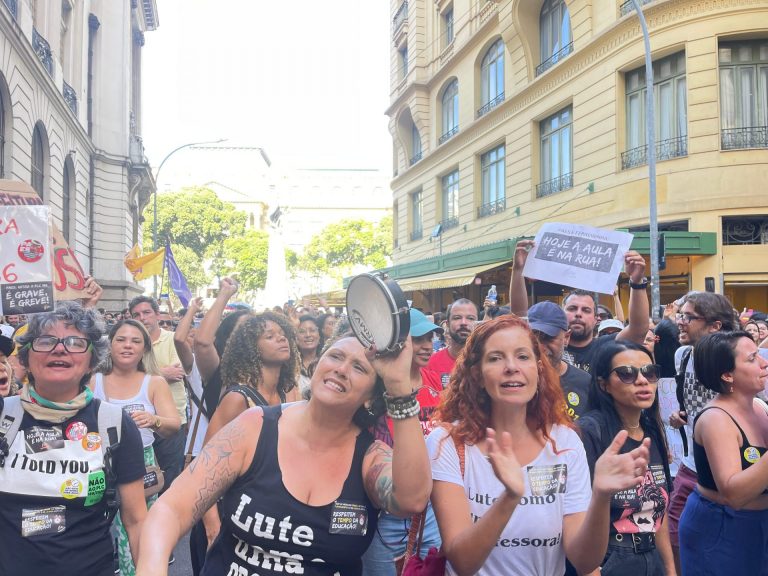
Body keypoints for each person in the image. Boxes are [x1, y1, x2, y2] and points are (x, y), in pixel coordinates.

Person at [136, 332, 432, 576]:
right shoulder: (255, 427)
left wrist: (399, 390)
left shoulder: (371, 456)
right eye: (336, 356)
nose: (341, 369)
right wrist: (152, 566)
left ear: (371, 396)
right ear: (316, 366)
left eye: (359, 368)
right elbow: (172, 508)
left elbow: (411, 500)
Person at [427, 315, 651, 576]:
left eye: (523, 356)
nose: (511, 367)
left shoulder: (565, 443)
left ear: (538, 369)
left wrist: (601, 497)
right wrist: (510, 497)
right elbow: (463, 562)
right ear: (476, 374)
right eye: (496, 358)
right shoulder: (447, 444)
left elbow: (584, 561)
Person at [0, 302, 146, 576]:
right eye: (45, 341)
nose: (59, 348)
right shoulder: (2, 418)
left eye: (75, 342)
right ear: (26, 358)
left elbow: (137, 521)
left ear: (92, 360)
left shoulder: (114, 425)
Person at [195, 311, 302, 573]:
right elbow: (205, 467)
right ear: (251, 348)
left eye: (283, 334)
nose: (281, 339)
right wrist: (212, 527)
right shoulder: (238, 398)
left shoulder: (289, 393)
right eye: (270, 336)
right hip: (227, 517)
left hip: (266, 519)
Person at [92, 319, 181, 576]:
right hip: (99, 464)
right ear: (109, 344)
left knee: (139, 528)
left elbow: (173, 424)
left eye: (135, 341)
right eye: (121, 339)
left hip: (142, 465)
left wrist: (154, 420)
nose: (127, 346)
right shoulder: (93, 381)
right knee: (96, 527)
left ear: (144, 349)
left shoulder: (154, 383)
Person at [578, 341, 675, 575]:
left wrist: (670, 569)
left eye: (650, 373)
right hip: (609, 558)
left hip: (651, 558)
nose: (642, 380)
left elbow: (658, 515)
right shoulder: (589, 432)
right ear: (604, 385)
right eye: (626, 374)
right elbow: (576, 514)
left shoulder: (651, 430)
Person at [678, 331, 768, 574]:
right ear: (727, 375)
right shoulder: (716, 419)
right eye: (751, 359)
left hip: (758, 526)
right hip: (722, 529)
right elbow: (734, 494)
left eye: (759, 355)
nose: (764, 362)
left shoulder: (759, 406)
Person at [363, 309, 444, 575]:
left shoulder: (436, 385)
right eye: (418, 339)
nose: (427, 345)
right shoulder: (373, 388)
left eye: (431, 338)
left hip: (430, 510)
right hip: (385, 514)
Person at [666, 292, 737, 570]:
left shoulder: (736, 360)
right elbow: (693, 406)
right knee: (675, 535)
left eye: (688, 317)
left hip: (728, 468)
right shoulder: (682, 355)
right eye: (680, 316)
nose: (680, 323)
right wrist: (680, 417)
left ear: (715, 326)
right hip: (690, 466)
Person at [508, 239, 649, 375]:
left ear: (596, 319)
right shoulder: (541, 346)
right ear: (562, 313)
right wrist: (518, 270)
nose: (578, 314)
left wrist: (637, 283)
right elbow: (519, 315)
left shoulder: (606, 347)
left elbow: (638, 331)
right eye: (572, 308)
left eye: (586, 310)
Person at [129, 295, 188, 491]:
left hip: (171, 420)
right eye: (136, 314)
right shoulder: (131, 344)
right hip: (138, 423)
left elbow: (178, 372)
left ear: (156, 314)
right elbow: (126, 375)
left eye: (146, 312)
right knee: (141, 479)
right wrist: (162, 373)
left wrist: (141, 375)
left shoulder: (173, 339)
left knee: (170, 477)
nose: (142, 318)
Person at [526, 301, 592, 420]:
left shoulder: (585, 382)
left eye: (548, 338)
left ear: (566, 338)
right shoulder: (517, 381)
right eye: (534, 338)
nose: (541, 347)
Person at [427, 298, 478, 388]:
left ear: (478, 324)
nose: (463, 323)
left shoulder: (485, 362)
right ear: (447, 324)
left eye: (470, 318)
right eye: (457, 318)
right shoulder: (431, 364)